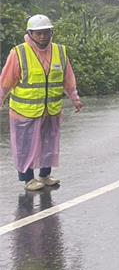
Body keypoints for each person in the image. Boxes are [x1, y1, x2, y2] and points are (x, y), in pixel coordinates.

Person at [0, 14, 83, 192]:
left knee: (49, 143)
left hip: (51, 110)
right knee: (24, 146)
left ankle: (45, 175)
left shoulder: (60, 52)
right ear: (30, 34)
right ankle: (28, 179)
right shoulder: (19, 53)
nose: (42, 37)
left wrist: (75, 98)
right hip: (24, 111)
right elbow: (5, 81)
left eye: (46, 32)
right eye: (38, 33)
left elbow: (68, 79)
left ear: (51, 32)